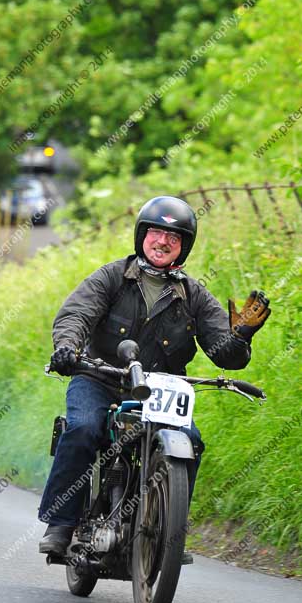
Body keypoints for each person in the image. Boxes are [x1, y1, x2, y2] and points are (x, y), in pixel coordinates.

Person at [38, 196, 270, 555]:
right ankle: (62, 523)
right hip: (101, 379)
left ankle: (168, 530)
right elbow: (75, 316)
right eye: (157, 233)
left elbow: (224, 354)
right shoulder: (112, 277)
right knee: (82, 429)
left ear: (183, 247)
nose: (163, 242)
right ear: (142, 235)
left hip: (161, 392)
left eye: (173, 237)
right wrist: (68, 348)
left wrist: (241, 336)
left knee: (189, 441)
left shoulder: (193, 294)